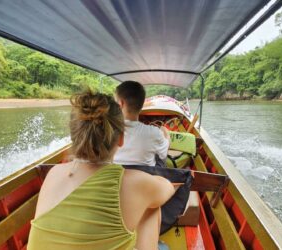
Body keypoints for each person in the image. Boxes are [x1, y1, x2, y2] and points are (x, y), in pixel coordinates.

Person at [27, 90, 175, 250]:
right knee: (152, 207)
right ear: (121, 138)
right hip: (147, 187)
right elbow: (167, 190)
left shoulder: (54, 173)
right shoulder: (133, 182)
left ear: (74, 136)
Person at [114, 81, 170, 167]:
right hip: (146, 177)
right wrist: (166, 132)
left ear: (120, 103)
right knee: (160, 156)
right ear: (142, 104)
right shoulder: (154, 132)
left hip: (116, 177)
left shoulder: (107, 130)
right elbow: (164, 154)